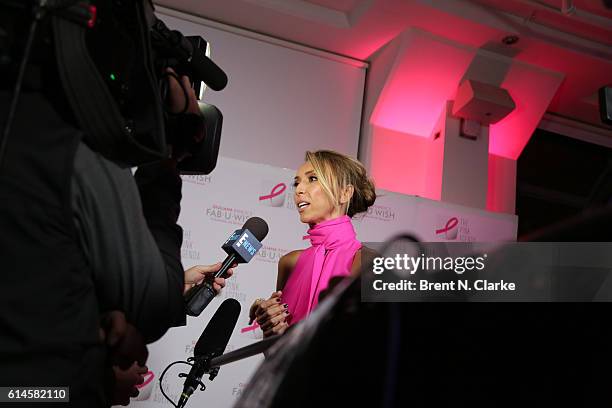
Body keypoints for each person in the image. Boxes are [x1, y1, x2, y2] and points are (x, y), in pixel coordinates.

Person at [249, 150, 377, 337]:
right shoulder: (289, 263)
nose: (299, 190)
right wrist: (272, 327)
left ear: (344, 193)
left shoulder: (369, 262)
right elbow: (273, 354)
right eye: (297, 182)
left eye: (313, 179)